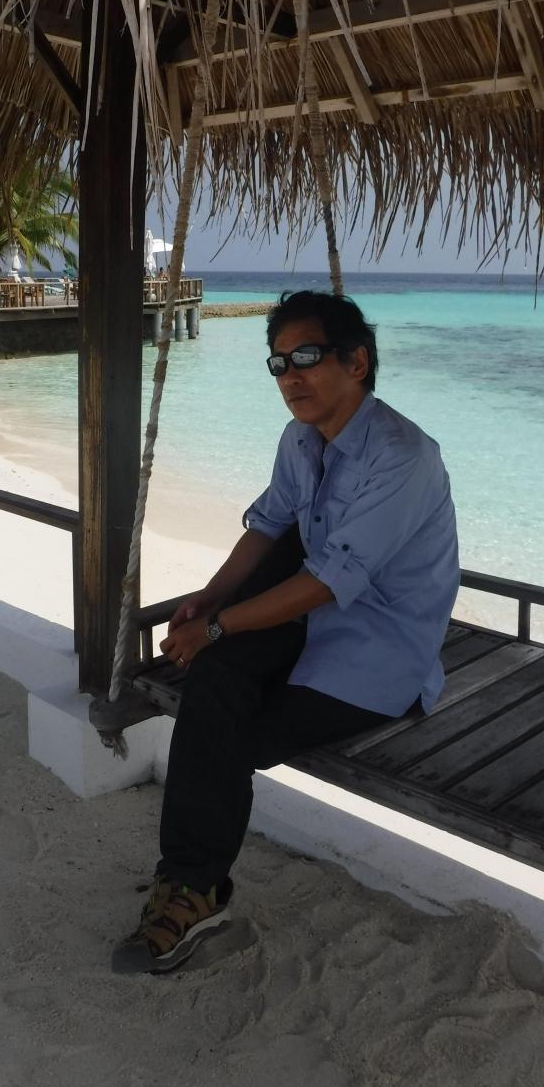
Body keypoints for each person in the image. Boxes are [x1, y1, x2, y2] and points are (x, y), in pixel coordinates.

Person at [112, 290, 460, 974]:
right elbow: (269, 524)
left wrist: (219, 625)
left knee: (229, 733)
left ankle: (193, 886)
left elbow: (332, 580)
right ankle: (190, 886)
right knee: (213, 682)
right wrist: (209, 599)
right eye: (278, 363)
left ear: (356, 362)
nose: (289, 377)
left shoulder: (403, 456)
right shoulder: (301, 440)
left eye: (306, 357)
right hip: (305, 619)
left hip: (377, 651)